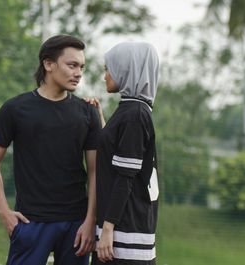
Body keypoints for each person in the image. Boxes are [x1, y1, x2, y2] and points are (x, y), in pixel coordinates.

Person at [0, 34, 101, 265]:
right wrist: (4, 213)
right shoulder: (15, 109)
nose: (79, 73)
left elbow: (96, 171)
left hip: (76, 226)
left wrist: (90, 221)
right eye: (72, 65)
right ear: (48, 64)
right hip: (29, 223)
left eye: (82, 67)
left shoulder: (88, 113)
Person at [86, 42, 160, 265]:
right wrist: (102, 121)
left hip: (124, 234)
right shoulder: (132, 109)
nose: (106, 76)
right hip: (122, 228)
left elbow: (125, 176)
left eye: (109, 69)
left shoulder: (134, 114)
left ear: (126, 70)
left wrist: (108, 228)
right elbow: (119, 153)